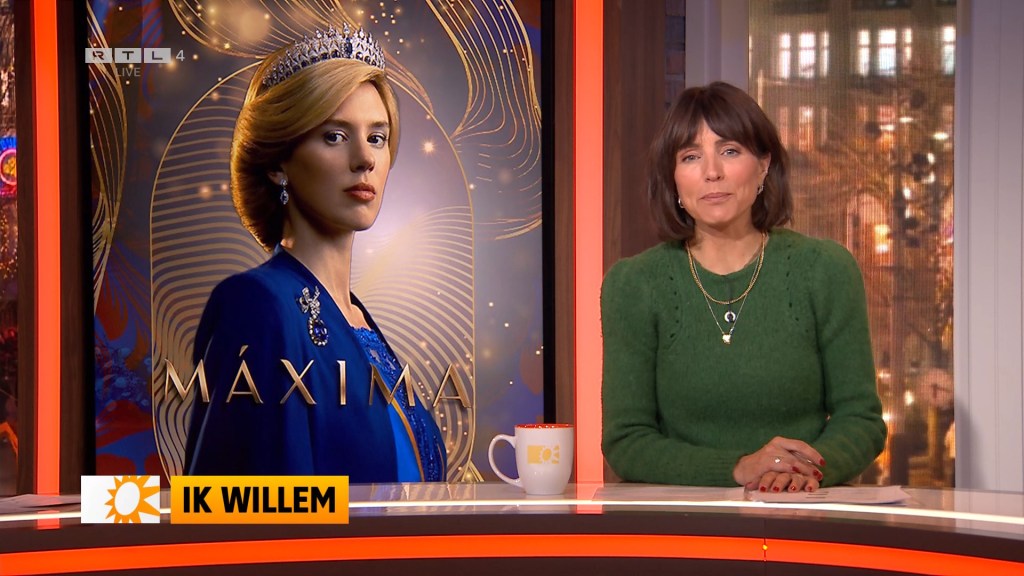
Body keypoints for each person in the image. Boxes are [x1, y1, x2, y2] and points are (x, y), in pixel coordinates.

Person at [184, 25, 447, 483]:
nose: (365, 159)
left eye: (378, 137)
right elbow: (243, 505)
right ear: (277, 162)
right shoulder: (258, 305)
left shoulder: (358, 320)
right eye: (334, 136)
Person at [601, 81, 886, 493]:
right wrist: (739, 468)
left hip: (802, 511)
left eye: (730, 151)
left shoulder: (825, 270)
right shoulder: (634, 284)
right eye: (691, 157)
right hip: (682, 521)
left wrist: (798, 473)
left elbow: (861, 420)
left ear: (764, 165)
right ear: (673, 178)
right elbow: (627, 441)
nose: (712, 172)